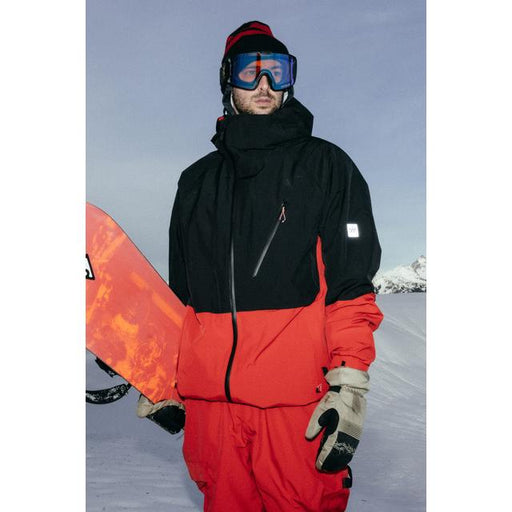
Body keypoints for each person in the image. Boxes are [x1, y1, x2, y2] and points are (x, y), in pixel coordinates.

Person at [138, 20, 383, 511]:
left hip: (293, 409)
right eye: (250, 72)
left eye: (277, 71)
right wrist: (163, 374)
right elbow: (182, 297)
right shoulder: (195, 182)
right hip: (212, 413)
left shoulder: (326, 166)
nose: (265, 84)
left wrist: (350, 382)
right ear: (228, 80)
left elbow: (351, 287)